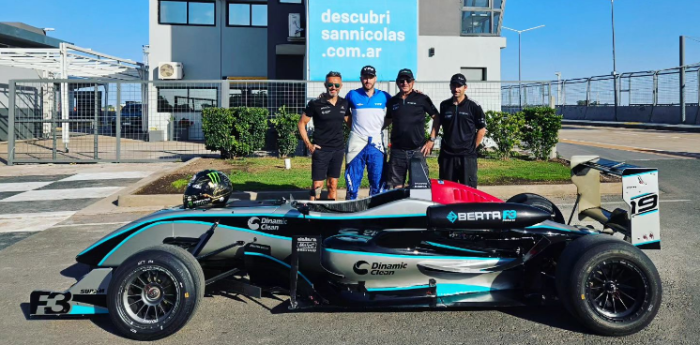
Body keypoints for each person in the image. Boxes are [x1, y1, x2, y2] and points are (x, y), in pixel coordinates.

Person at [298, 71, 351, 200]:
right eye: (330, 84)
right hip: (321, 150)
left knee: (333, 185)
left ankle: (331, 214)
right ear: (325, 84)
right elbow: (301, 124)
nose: (333, 87)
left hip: (338, 150)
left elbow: (352, 124)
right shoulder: (315, 104)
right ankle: (312, 214)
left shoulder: (344, 103)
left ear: (341, 86)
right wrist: (309, 144)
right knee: (317, 185)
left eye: (336, 85)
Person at [384, 68, 439, 189]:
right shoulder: (393, 101)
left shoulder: (422, 99)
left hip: (417, 151)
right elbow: (388, 119)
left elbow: (437, 117)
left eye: (408, 80)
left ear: (413, 82)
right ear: (397, 82)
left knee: (419, 188)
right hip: (397, 151)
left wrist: (431, 140)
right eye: (402, 81)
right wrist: (374, 129)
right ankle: (399, 208)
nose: (405, 83)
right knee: (396, 189)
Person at [344, 65, 392, 200]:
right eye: (365, 77)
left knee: (377, 183)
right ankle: (350, 210)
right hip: (357, 143)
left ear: (375, 79)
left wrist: (379, 127)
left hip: (376, 145)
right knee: (353, 184)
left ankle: (374, 211)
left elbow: (396, 109)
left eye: (370, 78)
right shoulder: (352, 94)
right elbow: (345, 115)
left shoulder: (384, 96)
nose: (367, 81)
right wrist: (356, 128)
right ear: (361, 79)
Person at [432, 73, 486, 188]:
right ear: (450, 86)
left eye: (459, 86)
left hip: (466, 157)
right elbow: (437, 124)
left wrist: (471, 147)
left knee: (468, 192)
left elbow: (481, 129)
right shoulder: (444, 105)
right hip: (447, 156)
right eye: (453, 86)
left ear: (465, 87)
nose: (456, 89)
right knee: (446, 190)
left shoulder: (474, 106)